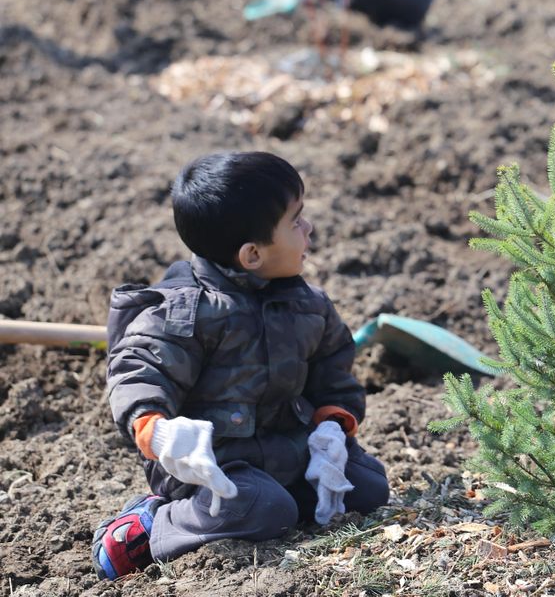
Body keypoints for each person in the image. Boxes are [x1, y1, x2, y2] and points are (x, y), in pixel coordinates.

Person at [92, 151, 390, 580]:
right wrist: (156, 429)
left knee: (366, 485)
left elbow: (333, 371)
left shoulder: (309, 305)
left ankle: (284, 501)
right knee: (264, 507)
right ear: (252, 254)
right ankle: (150, 525)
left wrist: (331, 428)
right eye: (295, 221)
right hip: (209, 463)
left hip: (289, 445)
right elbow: (138, 366)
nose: (308, 230)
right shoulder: (184, 311)